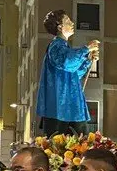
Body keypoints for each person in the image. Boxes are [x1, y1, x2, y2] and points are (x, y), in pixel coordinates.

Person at [36, 9, 99, 137]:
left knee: (80, 144)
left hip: (72, 107)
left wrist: (87, 60)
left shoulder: (64, 47)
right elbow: (66, 62)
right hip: (59, 107)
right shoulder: (55, 46)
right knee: (61, 145)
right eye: (68, 21)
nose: (72, 24)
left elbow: (74, 74)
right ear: (60, 27)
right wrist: (86, 49)